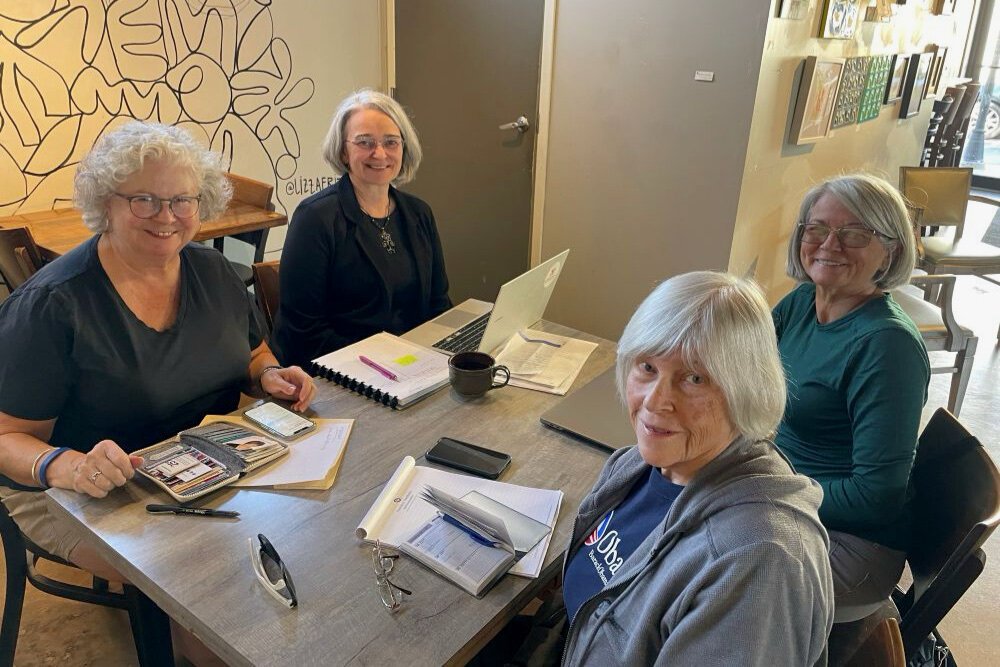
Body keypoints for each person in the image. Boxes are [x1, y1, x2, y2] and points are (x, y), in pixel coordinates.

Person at [0, 121, 315, 581]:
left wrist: (269, 375)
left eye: (182, 200)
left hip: (201, 468)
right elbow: (7, 436)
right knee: (205, 588)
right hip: (77, 495)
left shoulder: (216, 272)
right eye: (144, 199)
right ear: (106, 204)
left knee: (302, 542)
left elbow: (252, 354)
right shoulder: (52, 305)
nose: (166, 216)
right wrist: (69, 466)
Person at [547, 272, 833, 665]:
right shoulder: (636, 466)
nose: (655, 401)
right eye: (647, 367)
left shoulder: (758, 564)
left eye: (694, 378)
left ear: (746, 390)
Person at [773, 173, 929, 623]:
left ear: (890, 251)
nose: (829, 245)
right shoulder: (802, 301)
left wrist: (764, 490)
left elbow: (874, 497)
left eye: (855, 233)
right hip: (786, 499)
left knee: (698, 579)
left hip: (850, 544)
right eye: (817, 228)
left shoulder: (887, 346)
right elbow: (742, 376)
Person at [272, 89, 451, 367]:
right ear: (344, 151)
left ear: (403, 147)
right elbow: (304, 333)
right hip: (342, 370)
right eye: (364, 142)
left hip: (414, 364)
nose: (379, 153)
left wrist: (445, 355)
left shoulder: (419, 213)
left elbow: (439, 304)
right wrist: (386, 362)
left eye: (391, 142)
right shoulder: (315, 218)